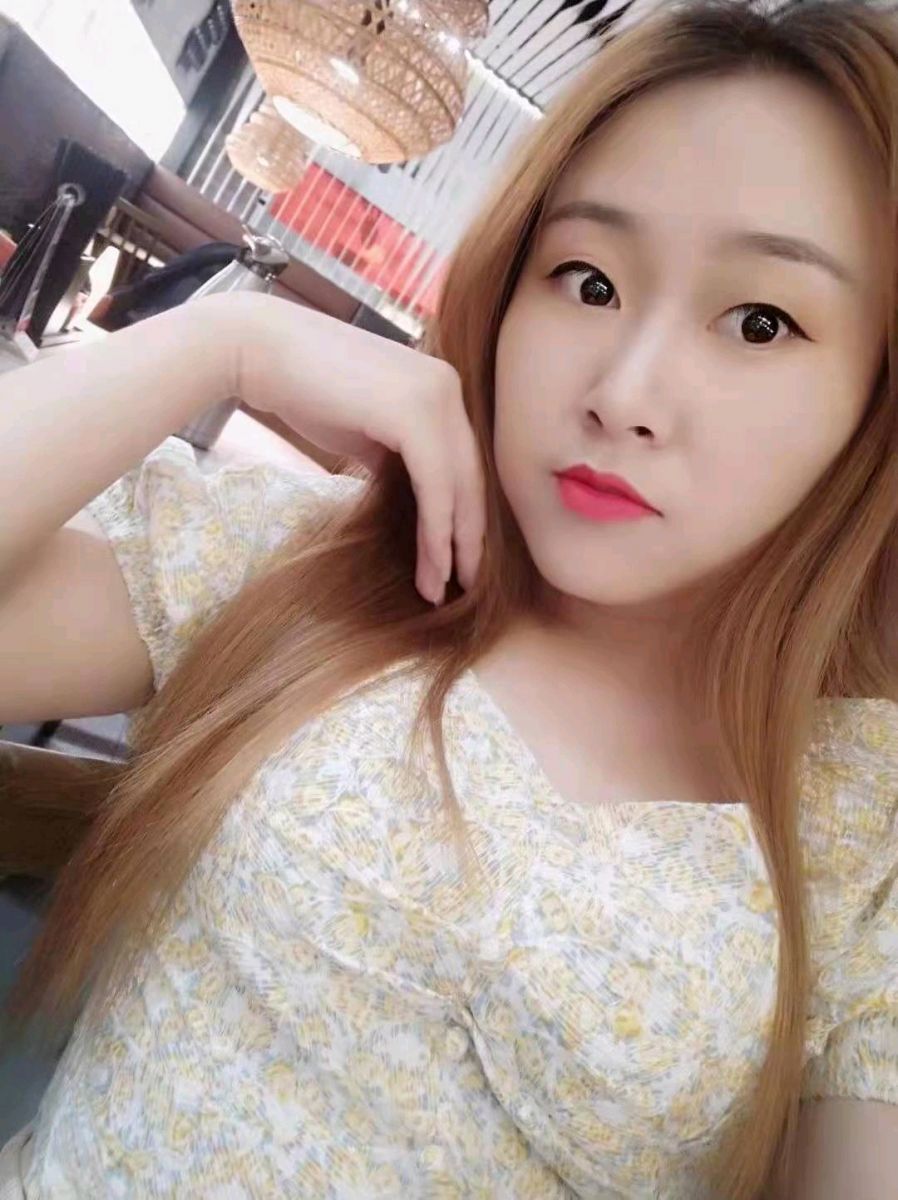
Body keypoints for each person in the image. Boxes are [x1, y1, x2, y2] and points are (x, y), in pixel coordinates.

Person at [1, 0, 896, 1195]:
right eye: (586, 280)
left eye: (760, 320)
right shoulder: (321, 569)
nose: (625, 393)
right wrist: (221, 345)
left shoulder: (863, 813)